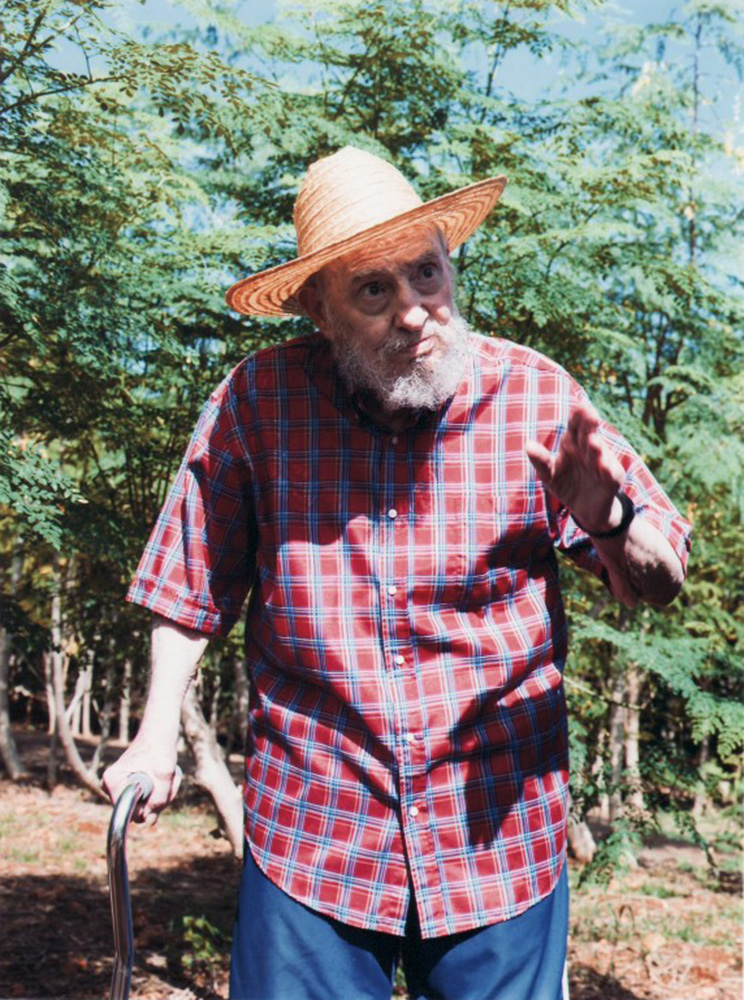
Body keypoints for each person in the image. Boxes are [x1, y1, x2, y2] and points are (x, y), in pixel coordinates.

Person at [103, 146, 692, 1000]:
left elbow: (661, 577)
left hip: (496, 830)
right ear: (318, 308)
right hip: (315, 826)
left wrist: (610, 520)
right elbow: (188, 583)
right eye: (375, 290)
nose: (416, 310)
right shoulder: (256, 403)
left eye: (427, 273)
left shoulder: (534, 397)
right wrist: (156, 734)